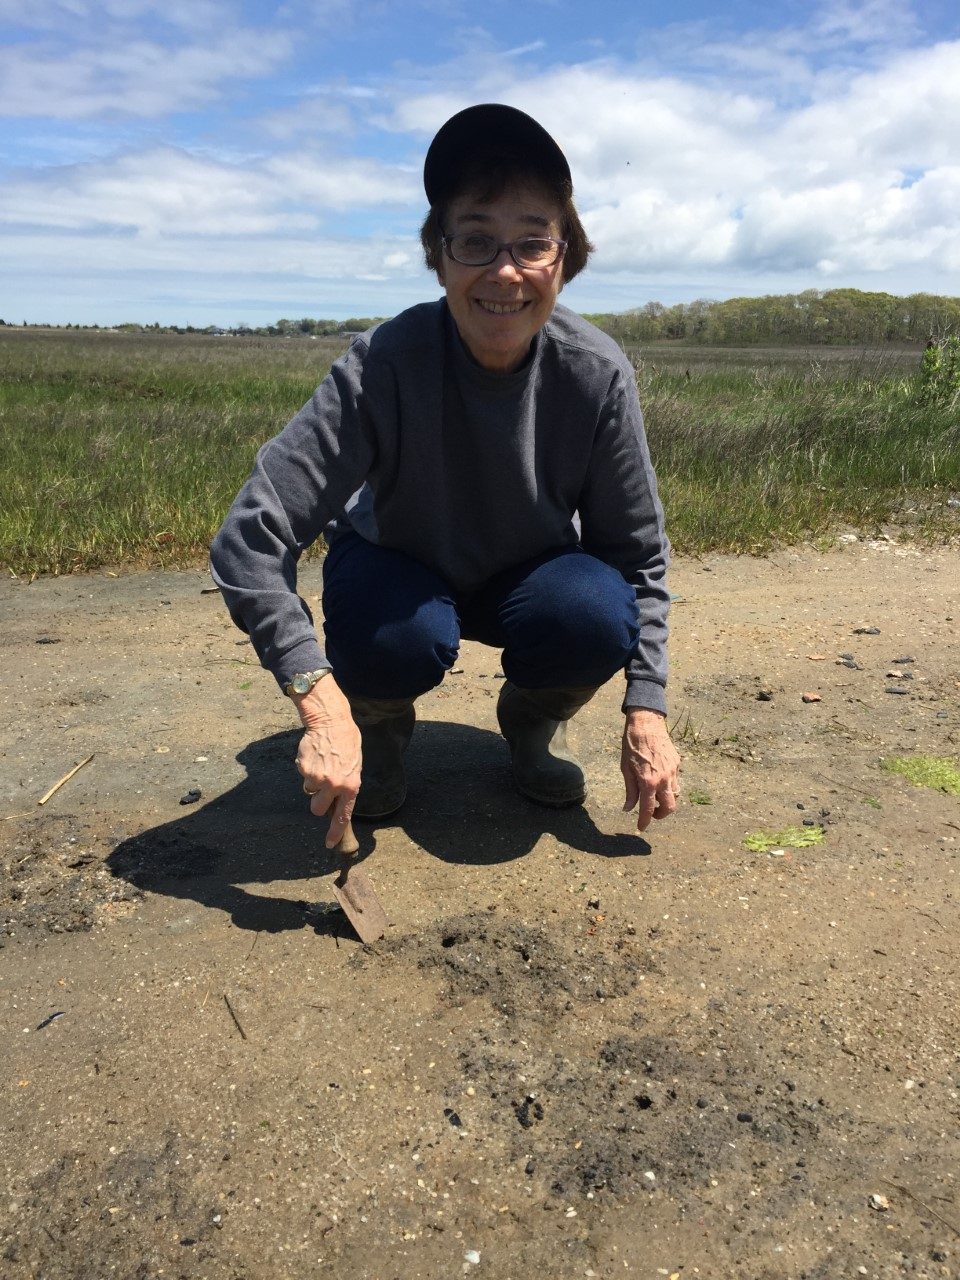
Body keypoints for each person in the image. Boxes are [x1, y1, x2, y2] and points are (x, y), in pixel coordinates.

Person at [210, 103, 681, 850]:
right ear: (439, 255)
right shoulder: (384, 364)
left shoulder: (596, 373)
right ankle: (378, 731)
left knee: (596, 612)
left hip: (528, 576)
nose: (504, 271)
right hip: (397, 566)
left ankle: (531, 727)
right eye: (475, 241)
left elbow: (639, 556)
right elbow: (250, 537)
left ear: (566, 258)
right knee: (388, 632)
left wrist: (646, 708)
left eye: (532, 243)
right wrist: (316, 697)